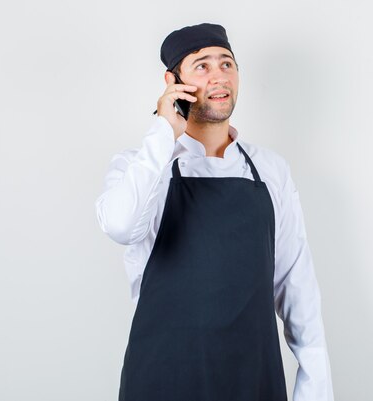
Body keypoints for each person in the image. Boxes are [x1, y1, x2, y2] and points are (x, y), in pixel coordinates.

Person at [95, 23, 334, 401]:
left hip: (253, 381)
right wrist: (163, 130)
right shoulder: (140, 165)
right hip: (161, 381)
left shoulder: (270, 170)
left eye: (227, 63)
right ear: (173, 81)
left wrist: (315, 391)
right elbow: (120, 225)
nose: (219, 75)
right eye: (202, 66)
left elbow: (297, 288)